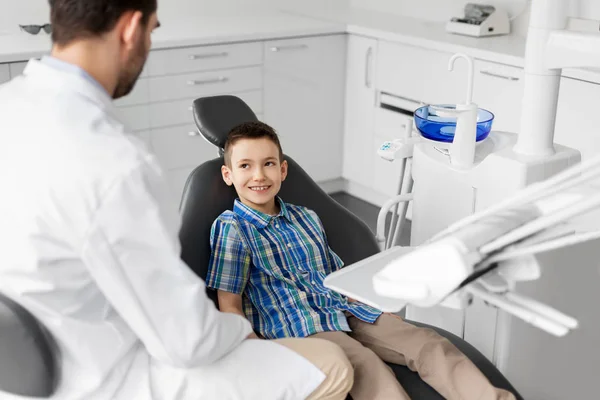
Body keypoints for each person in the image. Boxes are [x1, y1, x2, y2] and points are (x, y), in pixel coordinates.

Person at [0, 1, 354, 399]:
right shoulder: (113, 161)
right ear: (132, 28)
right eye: (152, 30)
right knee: (330, 364)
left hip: (18, 376)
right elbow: (187, 343)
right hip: (106, 378)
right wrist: (244, 331)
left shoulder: (7, 106)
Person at [206, 121, 518, 400]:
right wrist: (254, 349)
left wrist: (375, 308)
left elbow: (335, 273)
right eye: (245, 166)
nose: (258, 175)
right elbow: (229, 303)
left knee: (428, 344)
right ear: (228, 175)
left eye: (268, 164)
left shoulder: (306, 218)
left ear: (283, 170)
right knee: (367, 368)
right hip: (301, 326)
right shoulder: (232, 227)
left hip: (349, 309)